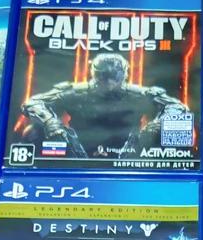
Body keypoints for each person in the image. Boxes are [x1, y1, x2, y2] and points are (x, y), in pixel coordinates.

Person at [20, 52, 192, 159]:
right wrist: (50, 122)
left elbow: (178, 107)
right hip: (76, 151)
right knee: (34, 130)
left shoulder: (139, 94)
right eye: (104, 77)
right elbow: (33, 103)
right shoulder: (76, 92)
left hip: (132, 153)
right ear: (95, 74)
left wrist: (157, 126)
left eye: (113, 77)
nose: (109, 82)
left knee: (178, 128)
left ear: (123, 75)